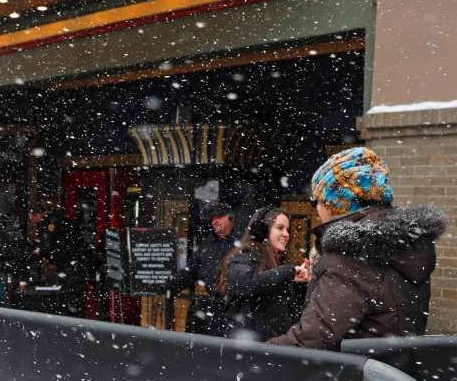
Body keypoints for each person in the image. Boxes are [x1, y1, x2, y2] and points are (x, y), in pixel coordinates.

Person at [270, 147, 447, 350]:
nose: (316, 208)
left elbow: (313, 338)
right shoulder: (406, 245)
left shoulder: (350, 253)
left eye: (317, 200)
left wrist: (260, 354)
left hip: (353, 375)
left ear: (335, 202)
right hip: (392, 374)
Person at [212, 207, 310, 339]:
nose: (286, 234)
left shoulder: (274, 262)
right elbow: (245, 284)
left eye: (287, 229)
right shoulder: (247, 253)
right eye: (280, 228)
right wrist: (288, 271)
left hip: (269, 347)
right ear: (262, 230)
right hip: (249, 348)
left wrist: (297, 282)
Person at [169, 203, 238, 333]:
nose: (215, 222)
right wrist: (169, 285)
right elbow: (189, 273)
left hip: (231, 310)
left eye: (219, 218)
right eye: (212, 219)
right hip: (208, 309)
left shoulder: (240, 245)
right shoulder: (207, 246)